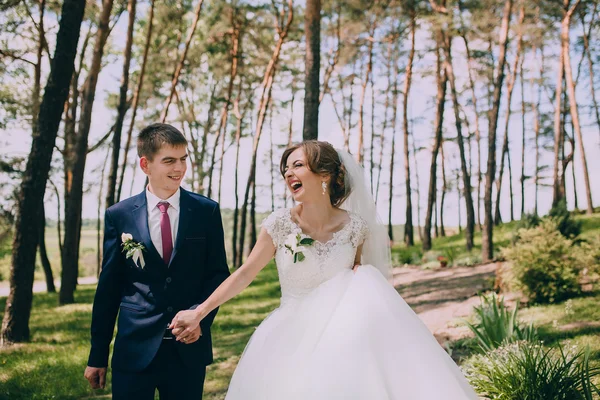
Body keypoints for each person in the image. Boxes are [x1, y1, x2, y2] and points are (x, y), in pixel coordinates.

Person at [170, 140, 479, 399]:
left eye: (298, 165)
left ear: (325, 175)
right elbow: (245, 274)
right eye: (286, 168)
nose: (289, 173)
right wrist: (199, 312)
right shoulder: (279, 223)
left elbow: (363, 283)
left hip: (347, 341)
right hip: (290, 339)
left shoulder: (355, 228)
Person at [84, 123, 230, 399]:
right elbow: (109, 289)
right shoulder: (120, 215)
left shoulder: (205, 211)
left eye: (183, 159)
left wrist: (200, 318)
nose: (180, 168)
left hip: (188, 349)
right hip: (134, 351)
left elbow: (217, 275)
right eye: (169, 161)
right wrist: (97, 354)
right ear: (145, 164)